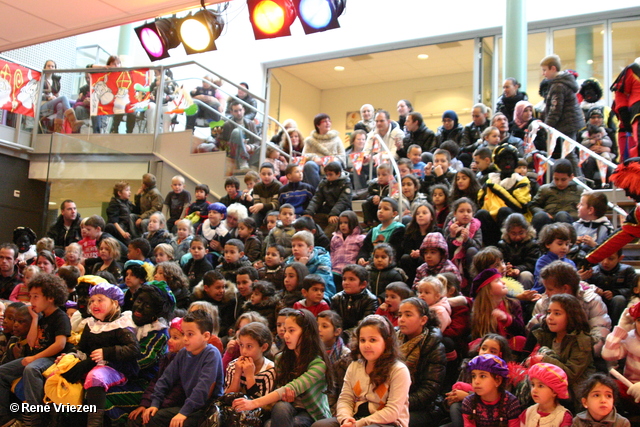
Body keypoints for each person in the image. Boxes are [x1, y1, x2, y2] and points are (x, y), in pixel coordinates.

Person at [232, 309, 332, 426]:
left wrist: (252, 403)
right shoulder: (281, 358)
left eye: (291, 331)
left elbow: (293, 387)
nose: (286, 336)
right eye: (285, 331)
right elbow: (279, 390)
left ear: (306, 333)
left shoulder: (318, 364)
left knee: (288, 423)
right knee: (280, 408)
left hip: (311, 413)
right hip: (286, 408)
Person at [58, 283, 139, 427]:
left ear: (114, 303)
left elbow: (133, 349)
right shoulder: (91, 324)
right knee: (59, 371)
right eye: (92, 300)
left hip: (116, 367)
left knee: (95, 377)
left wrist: (107, 352)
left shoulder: (121, 324)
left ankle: (94, 423)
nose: (94, 304)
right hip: (93, 363)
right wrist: (69, 357)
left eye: (100, 300)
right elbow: (81, 348)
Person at [312, 314, 411, 427]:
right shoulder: (354, 366)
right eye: (362, 340)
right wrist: (346, 419)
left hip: (388, 422)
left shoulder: (399, 370)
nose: (366, 345)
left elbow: (392, 411)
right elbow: (345, 398)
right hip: (355, 418)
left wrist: (360, 424)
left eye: (373, 340)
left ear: (387, 342)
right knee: (319, 425)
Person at [0, 274, 71, 427]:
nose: (31, 301)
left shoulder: (60, 317)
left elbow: (59, 344)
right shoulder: (41, 317)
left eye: (36, 297)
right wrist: (34, 319)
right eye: (30, 296)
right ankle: (5, 417)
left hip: (53, 358)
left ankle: (35, 418)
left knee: (31, 369)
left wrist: (34, 358)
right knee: (2, 372)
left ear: (50, 297)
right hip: (39, 356)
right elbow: (32, 343)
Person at [142, 310, 224, 427]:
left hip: (208, 409)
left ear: (206, 336)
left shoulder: (211, 354)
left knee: (183, 424)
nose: (185, 338)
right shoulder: (183, 353)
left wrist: (183, 412)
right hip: (190, 406)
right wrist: (155, 403)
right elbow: (165, 379)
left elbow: (203, 390)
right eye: (184, 333)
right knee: (153, 418)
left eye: (190, 334)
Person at [526, 294, 595, 400]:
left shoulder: (582, 340)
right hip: (550, 387)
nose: (550, 317)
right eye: (549, 313)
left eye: (557, 313)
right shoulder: (546, 334)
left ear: (571, 316)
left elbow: (571, 375)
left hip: (574, 392)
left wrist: (543, 359)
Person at [397, 298, 447, 427]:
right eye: (400, 315)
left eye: (408, 315)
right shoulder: (391, 340)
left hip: (423, 408)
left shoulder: (434, 347)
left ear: (423, 320)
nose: (401, 319)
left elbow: (429, 390)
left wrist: (397, 403)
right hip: (390, 400)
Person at [540, 54, 585, 167]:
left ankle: (578, 179)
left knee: (569, 154)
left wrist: (547, 126)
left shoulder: (558, 86)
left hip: (567, 124)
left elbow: (555, 109)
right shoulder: (562, 83)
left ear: (553, 68)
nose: (543, 73)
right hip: (569, 123)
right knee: (568, 154)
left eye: (545, 70)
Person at [461, 354, 522, 427]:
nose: (476, 381)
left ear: (498, 380)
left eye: (483, 376)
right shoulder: (469, 402)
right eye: (474, 376)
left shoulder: (511, 403)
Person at [470, 268, 525, 342]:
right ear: (488, 290)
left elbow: (521, 330)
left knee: (520, 340)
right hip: (489, 347)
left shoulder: (513, 304)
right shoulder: (478, 311)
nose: (503, 282)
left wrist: (507, 319)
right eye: (498, 280)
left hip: (510, 345)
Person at [529, 159, 583, 234]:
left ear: (571, 177)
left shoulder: (580, 191)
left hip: (569, 222)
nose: (559, 183)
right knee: (540, 216)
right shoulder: (545, 189)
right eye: (556, 179)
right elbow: (533, 205)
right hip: (549, 222)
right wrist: (543, 212)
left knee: (562, 215)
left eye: (563, 180)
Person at [224, 321, 275, 398]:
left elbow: (264, 406)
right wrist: (237, 375)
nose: (244, 351)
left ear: (264, 347)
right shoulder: (233, 366)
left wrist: (250, 377)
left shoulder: (269, 372)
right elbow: (227, 398)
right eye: (241, 345)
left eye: (249, 346)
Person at [330, 264, 378, 342]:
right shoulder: (336, 298)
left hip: (360, 336)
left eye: (351, 279)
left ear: (363, 284)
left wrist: (345, 335)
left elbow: (365, 323)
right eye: (344, 279)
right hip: (339, 335)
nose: (346, 282)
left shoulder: (370, 300)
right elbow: (333, 321)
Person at [303, 161, 352, 236]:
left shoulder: (346, 183)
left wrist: (334, 214)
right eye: (326, 175)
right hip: (327, 211)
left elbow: (343, 201)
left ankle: (324, 241)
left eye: (330, 175)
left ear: (338, 174)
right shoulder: (324, 183)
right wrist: (309, 212)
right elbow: (317, 199)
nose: (328, 177)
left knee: (335, 222)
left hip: (342, 212)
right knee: (310, 220)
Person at [518, 363, 572, 427]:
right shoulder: (528, 413)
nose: (534, 390)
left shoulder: (563, 417)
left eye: (540, 386)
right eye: (533, 385)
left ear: (554, 392)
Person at [302, 114, 345, 187]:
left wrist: (334, 159)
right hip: (317, 165)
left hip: (332, 164)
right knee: (309, 165)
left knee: (336, 165)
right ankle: (316, 192)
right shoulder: (310, 140)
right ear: (318, 125)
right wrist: (314, 158)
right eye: (325, 121)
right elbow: (304, 155)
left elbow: (342, 156)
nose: (328, 123)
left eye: (329, 121)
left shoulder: (337, 139)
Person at [40, 59, 82, 133]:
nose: (50, 68)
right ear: (45, 67)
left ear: (55, 69)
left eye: (52, 66)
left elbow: (56, 94)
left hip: (51, 105)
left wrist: (54, 97)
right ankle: (73, 121)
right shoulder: (40, 79)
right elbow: (37, 94)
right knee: (64, 97)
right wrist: (48, 97)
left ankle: (58, 130)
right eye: (48, 66)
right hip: (42, 105)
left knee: (60, 105)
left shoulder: (55, 81)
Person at [220, 100, 260, 171]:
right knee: (237, 131)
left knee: (267, 144)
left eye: (240, 110)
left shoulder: (251, 124)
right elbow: (223, 142)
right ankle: (243, 161)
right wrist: (238, 142)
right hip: (234, 151)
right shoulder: (227, 125)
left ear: (244, 110)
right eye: (235, 111)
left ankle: (248, 161)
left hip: (249, 151)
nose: (239, 113)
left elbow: (257, 141)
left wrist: (250, 147)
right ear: (231, 112)